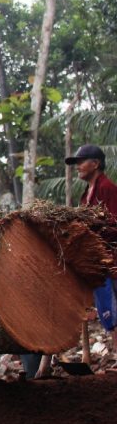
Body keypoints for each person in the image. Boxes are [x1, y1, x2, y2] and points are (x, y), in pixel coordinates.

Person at [65, 144, 117, 354]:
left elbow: (114, 224)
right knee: (109, 315)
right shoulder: (86, 195)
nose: (78, 166)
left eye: (81, 161)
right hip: (97, 263)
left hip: (111, 260)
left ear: (95, 164)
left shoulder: (107, 189)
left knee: (114, 311)